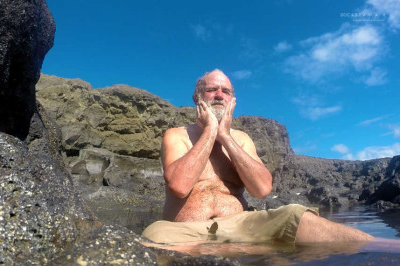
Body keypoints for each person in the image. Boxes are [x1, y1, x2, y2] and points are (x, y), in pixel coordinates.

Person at [142, 69, 374, 244]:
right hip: (187, 229)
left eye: (226, 91)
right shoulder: (177, 135)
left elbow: (262, 189)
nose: (220, 95)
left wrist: (225, 137)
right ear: (198, 98)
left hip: (241, 225)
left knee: (295, 215)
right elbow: (180, 186)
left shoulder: (241, 139)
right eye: (212, 90)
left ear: (233, 100)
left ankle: (384, 248)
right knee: (155, 234)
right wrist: (210, 131)